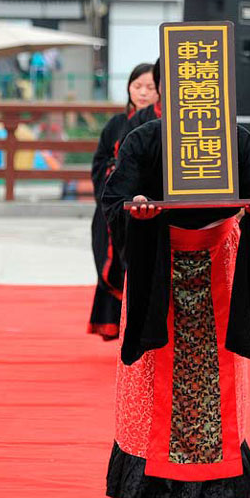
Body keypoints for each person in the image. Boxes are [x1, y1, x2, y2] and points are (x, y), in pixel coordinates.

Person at [100, 61, 250, 498]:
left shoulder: (239, 141)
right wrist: (134, 211)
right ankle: (153, 493)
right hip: (158, 263)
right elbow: (114, 199)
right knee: (150, 379)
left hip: (218, 260)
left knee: (218, 380)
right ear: (165, 92)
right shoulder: (144, 138)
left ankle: (217, 494)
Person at [88, 62, 157, 341]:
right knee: (111, 262)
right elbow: (100, 162)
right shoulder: (116, 124)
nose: (142, 93)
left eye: (150, 88)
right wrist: (116, 176)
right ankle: (115, 326)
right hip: (113, 209)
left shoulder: (159, 124)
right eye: (136, 86)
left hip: (147, 208)